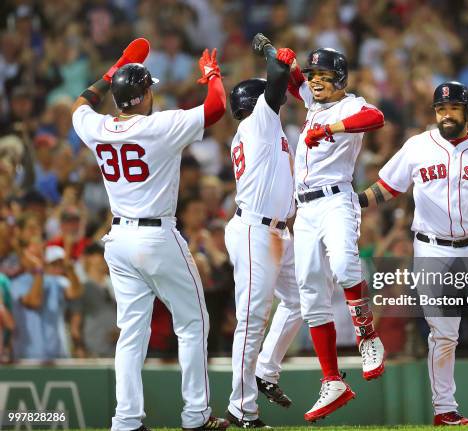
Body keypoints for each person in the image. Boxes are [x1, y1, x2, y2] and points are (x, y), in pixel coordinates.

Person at [70, 38, 229, 431]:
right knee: (193, 323)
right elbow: (216, 108)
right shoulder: (160, 125)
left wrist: (113, 70)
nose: (153, 94)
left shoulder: (100, 127)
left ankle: (125, 420)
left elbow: (80, 105)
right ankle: (195, 415)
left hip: (119, 240)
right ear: (141, 97)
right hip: (157, 236)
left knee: (131, 333)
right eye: (149, 90)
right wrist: (212, 76)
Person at [358, 81, 468, 425]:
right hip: (431, 246)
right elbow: (387, 188)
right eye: (440, 109)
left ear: (466, 112)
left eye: (453, 108)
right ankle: (444, 410)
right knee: (443, 332)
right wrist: (353, 200)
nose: (446, 114)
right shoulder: (417, 146)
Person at [284, 46, 385, 421]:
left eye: (322, 76)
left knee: (344, 265)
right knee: (310, 289)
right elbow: (294, 82)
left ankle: (367, 337)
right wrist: (283, 61)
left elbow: (376, 117)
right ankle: (332, 380)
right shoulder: (313, 98)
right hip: (305, 209)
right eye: (313, 76)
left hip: (336, 199)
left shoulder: (349, 105)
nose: (314, 81)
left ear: (340, 79)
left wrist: (332, 127)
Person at [224, 34, 303, 428]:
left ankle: (265, 370)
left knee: (302, 300)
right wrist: (270, 50)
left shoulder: (257, 130)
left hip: (275, 232)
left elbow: (277, 83)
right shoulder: (259, 120)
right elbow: (277, 74)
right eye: (271, 98)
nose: (280, 101)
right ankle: (242, 408)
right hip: (256, 231)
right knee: (252, 319)